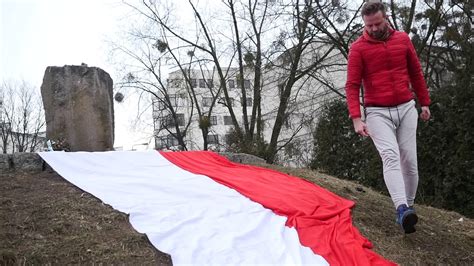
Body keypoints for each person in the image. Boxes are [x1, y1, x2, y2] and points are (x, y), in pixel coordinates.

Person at [345, 1, 431, 234]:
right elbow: (352, 85)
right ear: (365, 23)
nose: (373, 29)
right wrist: (356, 117)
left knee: (410, 161)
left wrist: (424, 102)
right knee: (390, 156)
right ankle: (401, 208)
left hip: (406, 108)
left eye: (377, 23)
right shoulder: (358, 48)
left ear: (386, 18)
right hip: (377, 112)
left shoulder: (403, 40)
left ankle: (409, 208)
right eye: (369, 25)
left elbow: (415, 72)